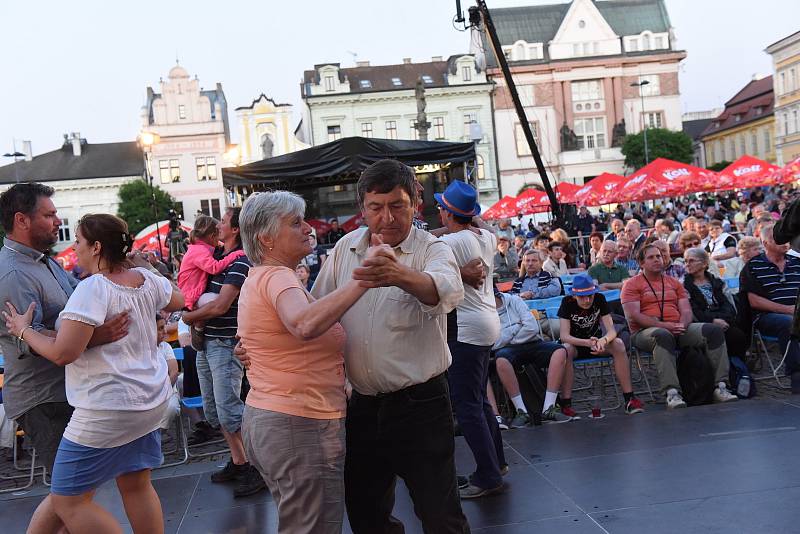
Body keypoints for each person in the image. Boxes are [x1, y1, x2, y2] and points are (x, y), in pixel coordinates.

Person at [311, 160, 469, 532]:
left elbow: (446, 292)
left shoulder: (433, 249)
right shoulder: (346, 249)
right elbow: (315, 313)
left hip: (421, 405)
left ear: (416, 202)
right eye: (376, 207)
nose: (387, 217)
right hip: (362, 405)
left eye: (397, 205)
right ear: (361, 209)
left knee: (439, 512)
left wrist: (398, 275)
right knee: (366, 513)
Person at [3, 213, 184, 534]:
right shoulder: (145, 278)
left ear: (97, 247)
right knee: (136, 483)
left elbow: (63, 352)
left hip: (107, 407)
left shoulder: (93, 289)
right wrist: (149, 267)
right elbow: (180, 299)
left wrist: (23, 330)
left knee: (67, 500)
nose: (75, 246)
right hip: (148, 399)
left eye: (79, 241)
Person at [236, 191, 376, 533]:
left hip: (278, 418)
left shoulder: (263, 277)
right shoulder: (278, 276)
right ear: (266, 238)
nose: (306, 228)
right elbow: (303, 324)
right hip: (298, 422)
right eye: (295, 223)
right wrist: (364, 279)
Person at [0, 184, 130, 490]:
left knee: (75, 492)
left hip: (68, 390)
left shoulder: (44, 261)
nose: (58, 221)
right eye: (49, 214)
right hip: (43, 398)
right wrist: (96, 337)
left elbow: (79, 302)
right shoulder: (12, 274)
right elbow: (31, 339)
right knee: (72, 491)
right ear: (22, 220)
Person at [181, 208, 264, 498]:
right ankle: (239, 461)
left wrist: (189, 318)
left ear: (235, 230)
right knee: (216, 410)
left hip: (225, 344)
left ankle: (258, 466)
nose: (217, 225)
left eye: (223, 222)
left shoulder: (239, 261)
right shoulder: (214, 258)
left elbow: (219, 306)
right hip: (208, 343)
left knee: (230, 408)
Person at [435, 180, 504, 499]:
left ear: (448, 213)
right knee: (478, 399)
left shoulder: (451, 244)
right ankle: (496, 463)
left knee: (466, 406)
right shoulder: (484, 236)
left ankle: (488, 475)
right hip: (488, 322)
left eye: (441, 208)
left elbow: (421, 251)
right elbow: (481, 226)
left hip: (467, 328)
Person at [621, 244, 737, 410]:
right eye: (651, 257)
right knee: (662, 335)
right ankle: (672, 392)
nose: (656, 260)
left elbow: (686, 310)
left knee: (713, 331)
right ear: (641, 263)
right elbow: (634, 316)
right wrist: (666, 325)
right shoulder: (631, 284)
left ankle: (721, 387)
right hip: (644, 332)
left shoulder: (674, 283)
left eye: (659, 256)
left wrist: (682, 325)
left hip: (677, 328)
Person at [557, 273, 644, 415]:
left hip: (597, 342)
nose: (587, 300)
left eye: (590, 295)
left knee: (618, 344)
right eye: (582, 297)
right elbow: (564, 336)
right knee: (565, 350)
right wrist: (586, 342)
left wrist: (603, 341)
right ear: (574, 296)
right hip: (576, 344)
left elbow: (611, 331)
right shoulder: (567, 302)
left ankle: (629, 398)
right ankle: (566, 403)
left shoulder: (599, 299)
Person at [493, 289, 572, 424]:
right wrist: (516, 328)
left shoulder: (514, 300)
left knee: (560, 351)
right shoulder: (483, 310)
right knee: (501, 360)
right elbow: (493, 342)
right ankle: (521, 412)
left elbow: (532, 328)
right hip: (507, 349)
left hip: (532, 342)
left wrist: (507, 336)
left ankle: (549, 407)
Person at [741, 222, 800, 376]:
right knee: (789, 323)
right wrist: (788, 310)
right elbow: (754, 301)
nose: (785, 241)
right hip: (767, 317)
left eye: (786, 238)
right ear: (765, 243)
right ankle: (796, 375)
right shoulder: (753, 267)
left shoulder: (797, 263)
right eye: (778, 238)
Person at [682, 248, 750, 364]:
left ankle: (738, 370)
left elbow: (728, 305)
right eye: (686, 261)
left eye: (691, 261)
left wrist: (723, 320)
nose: (687, 264)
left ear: (704, 263)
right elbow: (693, 311)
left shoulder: (717, 282)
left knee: (739, 335)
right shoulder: (684, 286)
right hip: (701, 323)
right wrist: (713, 320)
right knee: (729, 336)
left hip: (723, 320)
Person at [156, 315, 181, 430]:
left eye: (164, 327)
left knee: (171, 408)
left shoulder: (165, 347)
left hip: (167, 391)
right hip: (145, 395)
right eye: (160, 328)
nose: (165, 331)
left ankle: (158, 433)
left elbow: (174, 372)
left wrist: (162, 392)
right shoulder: (139, 349)